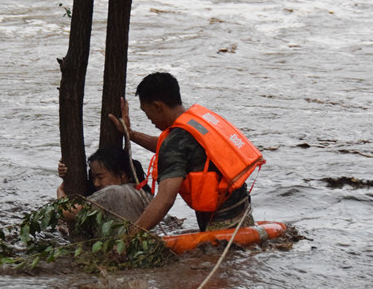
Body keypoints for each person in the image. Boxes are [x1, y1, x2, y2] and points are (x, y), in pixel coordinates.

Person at [110, 72, 264, 232]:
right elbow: (172, 148)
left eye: (146, 111)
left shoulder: (176, 142)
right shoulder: (197, 121)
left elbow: (165, 199)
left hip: (222, 225)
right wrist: (131, 134)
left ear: (157, 106)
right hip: (242, 212)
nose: (148, 118)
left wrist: (132, 235)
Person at [57, 146, 152, 224]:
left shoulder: (112, 192)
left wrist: (61, 190)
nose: (96, 183)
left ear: (122, 175)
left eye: (100, 177)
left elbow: (66, 214)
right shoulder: (144, 192)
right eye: (93, 178)